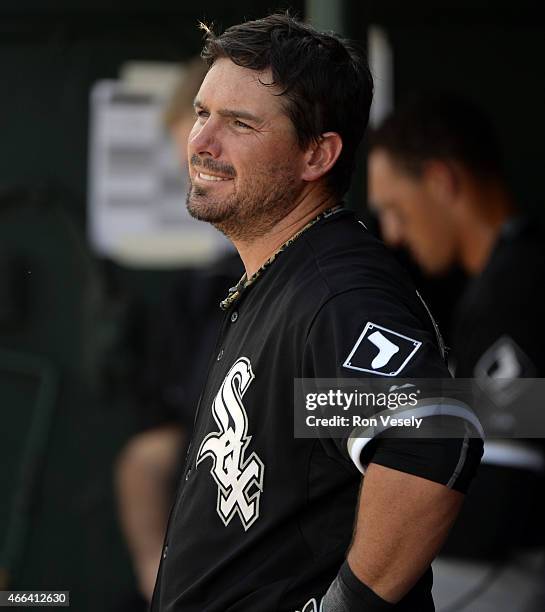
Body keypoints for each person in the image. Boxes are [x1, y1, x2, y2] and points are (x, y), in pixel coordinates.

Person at [151, 16, 483, 612]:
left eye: (240, 124)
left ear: (317, 154)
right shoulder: (284, 279)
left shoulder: (334, 292)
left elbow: (430, 438)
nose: (201, 142)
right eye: (202, 113)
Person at [368, 92, 545, 609]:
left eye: (396, 211)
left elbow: (499, 498)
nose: (394, 235)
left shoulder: (520, 287)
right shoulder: (493, 278)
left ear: (444, 182)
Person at [115, 57, 242, 606]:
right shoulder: (202, 290)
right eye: (191, 160)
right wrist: (157, 576)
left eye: (215, 159)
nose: (198, 173)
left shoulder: (349, 275)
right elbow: (151, 452)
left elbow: (514, 409)